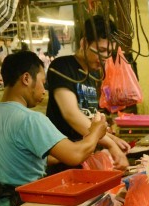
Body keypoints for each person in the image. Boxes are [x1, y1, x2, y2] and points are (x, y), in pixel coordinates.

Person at [0, 51, 108, 206]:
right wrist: (95, 133)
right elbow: (75, 156)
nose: (44, 90)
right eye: (42, 81)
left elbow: (23, 156)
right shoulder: (30, 119)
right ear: (26, 78)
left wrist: (74, 146)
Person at [46, 15, 130, 174]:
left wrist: (113, 139)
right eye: (101, 50)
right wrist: (110, 145)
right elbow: (71, 114)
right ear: (84, 43)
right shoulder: (62, 67)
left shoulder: (92, 75)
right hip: (64, 163)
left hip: (85, 159)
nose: (104, 58)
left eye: (108, 53)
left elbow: (90, 119)